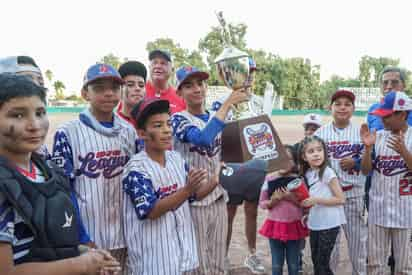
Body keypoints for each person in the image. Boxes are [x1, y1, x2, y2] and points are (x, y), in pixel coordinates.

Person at [0, 73, 120, 275]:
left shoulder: (48, 170)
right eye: (18, 115)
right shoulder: (4, 184)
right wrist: (80, 265)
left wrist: (89, 255)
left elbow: (53, 241)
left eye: (40, 113)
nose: (34, 125)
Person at [51, 63, 140, 273]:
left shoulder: (129, 131)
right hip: (90, 233)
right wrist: (82, 237)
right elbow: (64, 189)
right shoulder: (67, 132)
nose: (109, 93)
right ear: (85, 93)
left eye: (114, 87)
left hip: (126, 230)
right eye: (99, 87)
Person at [171, 66, 249, 274]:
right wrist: (228, 103)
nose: (197, 89)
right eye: (188, 86)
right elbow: (204, 139)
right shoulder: (178, 119)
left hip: (218, 196)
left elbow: (237, 146)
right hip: (194, 201)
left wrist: (245, 77)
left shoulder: (217, 112)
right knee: (197, 261)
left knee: (218, 258)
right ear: (179, 92)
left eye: (200, 83)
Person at [122, 98, 208, 275]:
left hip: (183, 256)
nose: (167, 130)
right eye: (158, 125)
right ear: (142, 133)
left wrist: (216, 179)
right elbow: (151, 211)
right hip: (153, 262)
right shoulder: (136, 168)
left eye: (168, 124)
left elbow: (193, 196)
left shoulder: (176, 158)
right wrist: (188, 189)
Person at [314, 89, 367, 275]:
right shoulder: (320, 134)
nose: (342, 107)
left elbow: (370, 162)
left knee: (358, 244)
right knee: (331, 247)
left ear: (353, 108)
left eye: (347, 104)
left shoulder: (361, 132)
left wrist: (357, 162)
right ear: (331, 107)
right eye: (338, 104)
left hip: (354, 194)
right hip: (330, 198)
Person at [360, 91, 412, 274]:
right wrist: (367, 149)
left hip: (405, 212)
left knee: (404, 266)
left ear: (402, 114)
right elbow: (366, 171)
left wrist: (404, 151)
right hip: (378, 210)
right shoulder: (378, 136)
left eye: (387, 116)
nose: (383, 120)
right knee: (374, 265)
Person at [298, 135, 346, 275]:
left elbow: (341, 199)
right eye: (311, 151)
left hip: (329, 223)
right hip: (316, 222)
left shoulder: (327, 172)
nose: (316, 154)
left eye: (319, 150)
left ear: (324, 152)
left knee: (322, 264)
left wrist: (316, 200)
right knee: (316, 261)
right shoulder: (308, 173)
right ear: (304, 156)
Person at [259, 145, 309, 275]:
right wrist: (273, 201)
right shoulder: (269, 179)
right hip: (274, 226)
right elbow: (262, 203)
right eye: (281, 158)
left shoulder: (298, 180)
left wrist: (291, 197)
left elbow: (306, 204)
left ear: (295, 163)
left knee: (293, 265)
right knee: (276, 265)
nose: (284, 162)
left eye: (289, 159)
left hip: (294, 226)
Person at [146, 49, 186, 114]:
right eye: (154, 62)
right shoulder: (138, 92)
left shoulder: (180, 98)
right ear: (149, 67)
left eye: (163, 63)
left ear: (172, 69)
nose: (158, 66)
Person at [117, 60, 147, 127]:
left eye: (141, 85)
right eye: (130, 85)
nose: (137, 88)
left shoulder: (151, 121)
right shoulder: (113, 122)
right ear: (120, 88)